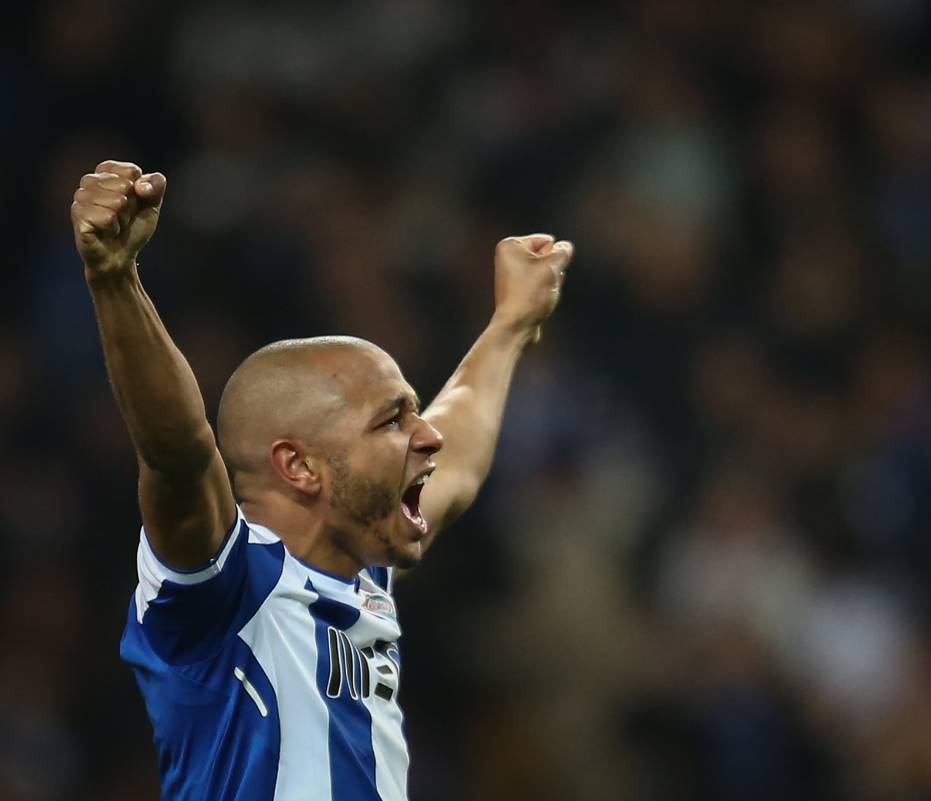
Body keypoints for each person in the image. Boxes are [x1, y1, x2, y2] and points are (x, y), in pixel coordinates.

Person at [70, 159, 574, 800]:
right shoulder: (226, 588)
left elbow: (461, 447)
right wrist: (115, 280)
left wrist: (510, 325)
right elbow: (178, 452)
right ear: (298, 466)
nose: (428, 436)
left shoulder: (361, 569)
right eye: (392, 421)